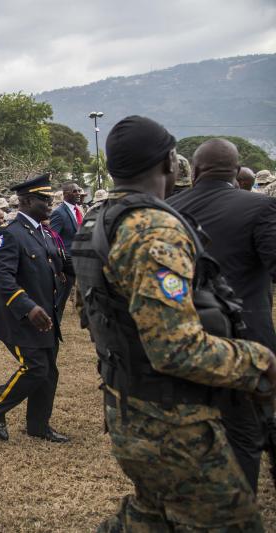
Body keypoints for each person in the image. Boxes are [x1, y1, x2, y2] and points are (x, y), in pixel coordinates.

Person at [72, 116, 276, 531]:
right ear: (171, 162)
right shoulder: (152, 229)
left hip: (129, 403)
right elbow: (175, 348)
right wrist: (261, 362)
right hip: (172, 421)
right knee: (234, 523)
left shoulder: (98, 219)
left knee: (150, 516)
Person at [168, 138, 276, 493]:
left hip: (188, 340)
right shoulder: (260, 208)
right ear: (237, 170)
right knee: (249, 432)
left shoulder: (170, 211)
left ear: (195, 171)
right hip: (249, 337)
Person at [0, 175, 69, 443]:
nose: (50, 203)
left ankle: (38, 425)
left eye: (50, 198)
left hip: (45, 315)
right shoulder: (9, 234)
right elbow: (1, 277)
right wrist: (28, 307)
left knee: (48, 371)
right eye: (44, 199)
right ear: (27, 201)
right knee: (35, 368)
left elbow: (62, 263)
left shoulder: (43, 232)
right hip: (20, 318)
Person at [49, 181, 82, 319]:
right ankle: (52, 329)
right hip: (66, 264)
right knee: (60, 299)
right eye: (75, 191)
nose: (78, 194)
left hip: (79, 259)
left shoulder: (77, 210)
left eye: (79, 191)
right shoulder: (59, 213)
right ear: (65, 194)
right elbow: (53, 240)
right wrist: (59, 266)